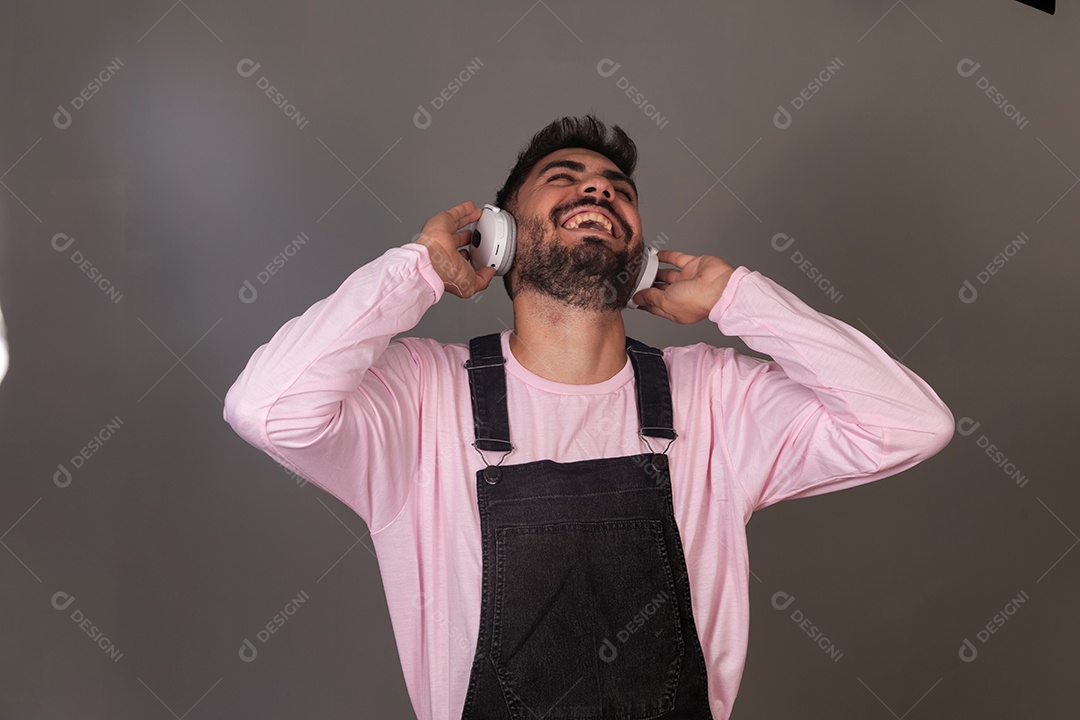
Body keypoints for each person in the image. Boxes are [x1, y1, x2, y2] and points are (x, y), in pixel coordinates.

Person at [223, 115, 954, 720]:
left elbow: (911, 425)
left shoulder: (714, 398)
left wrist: (739, 298)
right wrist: (414, 269)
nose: (598, 187)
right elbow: (267, 409)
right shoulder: (421, 397)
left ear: (640, 254)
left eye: (617, 189)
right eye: (564, 180)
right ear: (498, 238)